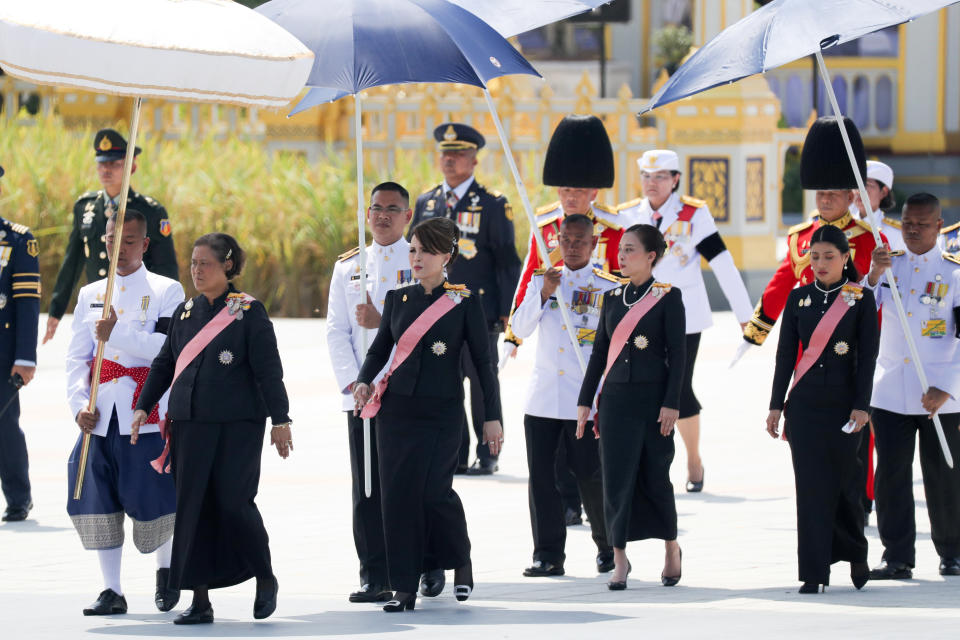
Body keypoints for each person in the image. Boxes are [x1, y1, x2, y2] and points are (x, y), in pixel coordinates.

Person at [132, 233, 291, 625]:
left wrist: (281, 420)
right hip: (190, 424)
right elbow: (164, 363)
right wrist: (143, 406)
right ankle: (200, 600)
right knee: (193, 509)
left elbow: (269, 371)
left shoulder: (249, 311)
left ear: (228, 266)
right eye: (193, 263)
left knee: (234, 504)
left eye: (205, 263)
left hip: (237, 426)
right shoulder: (186, 313)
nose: (196, 270)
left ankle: (264, 576)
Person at [353, 217, 504, 612]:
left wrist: (492, 416)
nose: (417, 257)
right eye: (414, 250)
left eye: (426, 251)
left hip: (441, 413)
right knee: (397, 498)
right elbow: (379, 349)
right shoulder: (398, 298)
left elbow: (484, 365)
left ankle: (462, 562)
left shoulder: (464, 301)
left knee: (435, 495)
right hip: (397, 412)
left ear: (447, 256)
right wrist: (364, 381)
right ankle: (404, 586)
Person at [65, 210, 184, 615]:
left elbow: (169, 351)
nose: (120, 248)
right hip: (100, 414)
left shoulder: (167, 290)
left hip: (144, 410)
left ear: (145, 244)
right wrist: (80, 404)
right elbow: (77, 359)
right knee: (98, 496)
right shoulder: (90, 293)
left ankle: (166, 573)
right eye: (113, 240)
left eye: (129, 241)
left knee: (154, 495)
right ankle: (111, 589)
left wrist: (118, 333)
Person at [617, 149, 752, 492]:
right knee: (643, 388)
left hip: (683, 317)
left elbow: (721, 262)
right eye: (646, 176)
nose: (652, 183)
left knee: (677, 386)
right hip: (638, 314)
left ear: (675, 179)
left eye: (660, 176)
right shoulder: (628, 213)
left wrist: (745, 316)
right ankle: (647, 463)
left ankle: (692, 458)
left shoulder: (694, 213)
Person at [766, 224, 879, 594]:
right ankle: (814, 572)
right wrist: (774, 407)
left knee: (847, 486)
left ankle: (856, 553)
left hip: (846, 408)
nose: (821, 263)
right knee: (811, 490)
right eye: (815, 257)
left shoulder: (859, 299)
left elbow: (867, 359)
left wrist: (863, 406)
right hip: (805, 407)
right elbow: (785, 357)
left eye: (829, 256)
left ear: (845, 258)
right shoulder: (798, 300)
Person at [576, 224, 685, 591]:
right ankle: (620, 558)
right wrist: (584, 403)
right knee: (615, 480)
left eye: (630, 250)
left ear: (651, 256)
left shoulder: (668, 298)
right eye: (620, 250)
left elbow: (679, 356)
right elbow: (598, 356)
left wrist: (673, 403)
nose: (621, 257)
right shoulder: (611, 298)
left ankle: (671, 546)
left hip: (654, 403)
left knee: (656, 476)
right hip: (616, 403)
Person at [510, 214, 620, 578]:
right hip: (543, 399)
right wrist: (542, 294)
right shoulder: (543, 279)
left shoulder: (607, 287)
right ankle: (547, 554)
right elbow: (520, 327)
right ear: (556, 240)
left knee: (590, 475)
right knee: (542, 478)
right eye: (566, 240)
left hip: (583, 399)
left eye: (579, 241)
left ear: (592, 244)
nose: (572, 247)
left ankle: (607, 546)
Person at [409, 123, 519, 477]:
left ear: (474, 161)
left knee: (482, 382)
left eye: (458, 155)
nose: (450, 160)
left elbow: (506, 261)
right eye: (445, 154)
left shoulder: (492, 204)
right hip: (435, 311)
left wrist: (506, 311)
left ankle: (489, 451)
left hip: (478, 309)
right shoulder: (427, 202)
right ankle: (453, 454)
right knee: (444, 382)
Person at [863, 193, 960, 580]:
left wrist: (947, 387)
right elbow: (860, 312)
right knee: (891, 476)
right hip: (891, 390)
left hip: (940, 394)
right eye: (907, 223)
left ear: (939, 226)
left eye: (922, 224)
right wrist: (871, 276)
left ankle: (952, 552)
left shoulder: (954, 274)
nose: (914, 230)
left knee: (944, 476)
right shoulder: (889, 266)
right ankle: (897, 556)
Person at [326, 182, 413, 603]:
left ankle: (422, 567)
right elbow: (336, 331)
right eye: (376, 208)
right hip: (362, 395)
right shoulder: (349, 266)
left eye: (392, 209)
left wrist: (383, 321)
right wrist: (353, 383)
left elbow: (424, 329)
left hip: (405, 391)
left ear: (407, 216)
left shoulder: (421, 261)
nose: (382, 216)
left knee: (409, 485)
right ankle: (373, 573)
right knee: (366, 488)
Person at [743, 116, 885, 348]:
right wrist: (755, 334)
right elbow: (780, 286)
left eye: (833, 194)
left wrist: (873, 342)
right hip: (807, 339)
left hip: (850, 339)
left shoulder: (871, 238)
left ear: (850, 197)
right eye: (821, 194)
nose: (825, 200)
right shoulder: (801, 236)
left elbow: (880, 295)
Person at [44, 129, 178, 344]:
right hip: (98, 302)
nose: (107, 170)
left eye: (115, 164)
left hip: (139, 305)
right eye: (102, 163)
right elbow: (73, 262)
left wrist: (166, 312)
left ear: (131, 167)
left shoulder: (150, 211)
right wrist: (56, 310)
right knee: (92, 363)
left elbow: (166, 267)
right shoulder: (85, 207)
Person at [0, 164, 40, 522]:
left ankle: (18, 497)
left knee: (4, 424)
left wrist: (26, 358)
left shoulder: (16, 240)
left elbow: (27, 303)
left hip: (3, 352)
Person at [853, 160, 904, 251]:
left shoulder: (896, 234)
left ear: (883, 192)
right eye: (857, 185)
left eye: (867, 185)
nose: (860, 191)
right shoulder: (842, 227)